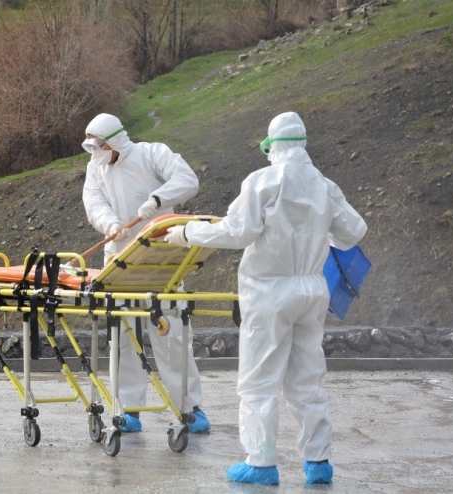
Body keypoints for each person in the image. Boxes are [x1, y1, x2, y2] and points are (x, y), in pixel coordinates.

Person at [164, 112, 367, 485]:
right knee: (307, 378)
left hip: (270, 291)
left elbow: (237, 232)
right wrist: (318, 236)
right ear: (303, 144)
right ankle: (318, 462)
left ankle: (260, 463)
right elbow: (355, 230)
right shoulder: (324, 185)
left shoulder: (264, 180)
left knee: (259, 381)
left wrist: (187, 233)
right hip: (312, 289)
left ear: (272, 146)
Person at [81, 112, 210, 434]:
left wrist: (157, 199)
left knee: (171, 335)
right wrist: (110, 224)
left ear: (116, 140)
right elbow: (93, 201)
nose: (96, 151)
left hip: (161, 257)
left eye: (100, 145)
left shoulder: (153, 154)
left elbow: (187, 180)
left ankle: (189, 407)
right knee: (123, 339)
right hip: (120, 258)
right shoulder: (95, 167)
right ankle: (130, 410)